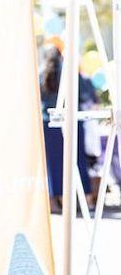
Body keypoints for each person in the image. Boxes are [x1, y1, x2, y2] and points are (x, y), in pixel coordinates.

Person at [40, 45, 95, 213]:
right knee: (77, 161)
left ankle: (57, 201)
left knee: (54, 164)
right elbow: (87, 94)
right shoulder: (70, 73)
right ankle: (87, 200)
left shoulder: (41, 74)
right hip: (71, 120)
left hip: (49, 123)